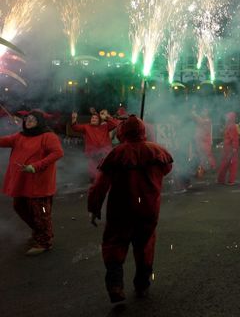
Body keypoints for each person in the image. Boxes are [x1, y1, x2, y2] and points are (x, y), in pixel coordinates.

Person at [88, 115, 173, 303]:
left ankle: (115, 286)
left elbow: (100, 184)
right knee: (145, 245)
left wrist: (94, 207)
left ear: (122, 132)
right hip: (149, 208)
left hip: (121, 209)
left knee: (115, 245)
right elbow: (167, 169)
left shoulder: (117, 153)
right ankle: (142, 285)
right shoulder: (157, 151)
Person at [1, 110, 64, 255]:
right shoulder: (20, 136)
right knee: (20, 206)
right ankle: (40, 231)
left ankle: (44, 241)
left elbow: (58, 153)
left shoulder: (48, 136)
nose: (28, 121)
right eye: (27, 119)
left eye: (32, 120)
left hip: (39, 184)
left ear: (40, 122)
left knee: (41, 212)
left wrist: (35, 166)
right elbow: (4, 141)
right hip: (22, 182)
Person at [71, 110, 119, 182]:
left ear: (99, 120)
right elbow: (75, 127)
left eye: (96, 118)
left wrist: (106, 118)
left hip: (104, 153)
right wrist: (74, 119)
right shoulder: (86, 126)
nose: (93, 119)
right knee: (93, 171)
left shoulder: (105, 126)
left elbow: (115, 124)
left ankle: (105, 180)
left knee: (105, 170)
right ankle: (93, 182)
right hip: (92, 153)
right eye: (92, 118)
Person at [191, 108, 216, 177]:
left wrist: (194, 114)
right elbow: (197, 120)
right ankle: (202, 168)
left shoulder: (208, 120)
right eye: (203, 111)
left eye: (205, 111)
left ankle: (212, 166)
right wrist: (193, 115)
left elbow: (201, 121)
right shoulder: (202, 119)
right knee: (201, 155)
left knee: (207, 154)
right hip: (200, 140)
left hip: (206, 141)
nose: (203, 112)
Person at [216, 112, 240, 185]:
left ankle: (220, 179)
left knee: (224, 164)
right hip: (231, 148)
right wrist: (235, 148)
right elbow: (234, 139)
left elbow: (227, 137)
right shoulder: (233, 126)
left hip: (226, 148)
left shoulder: (228, 126)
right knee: (233, 165)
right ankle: (231, 180)